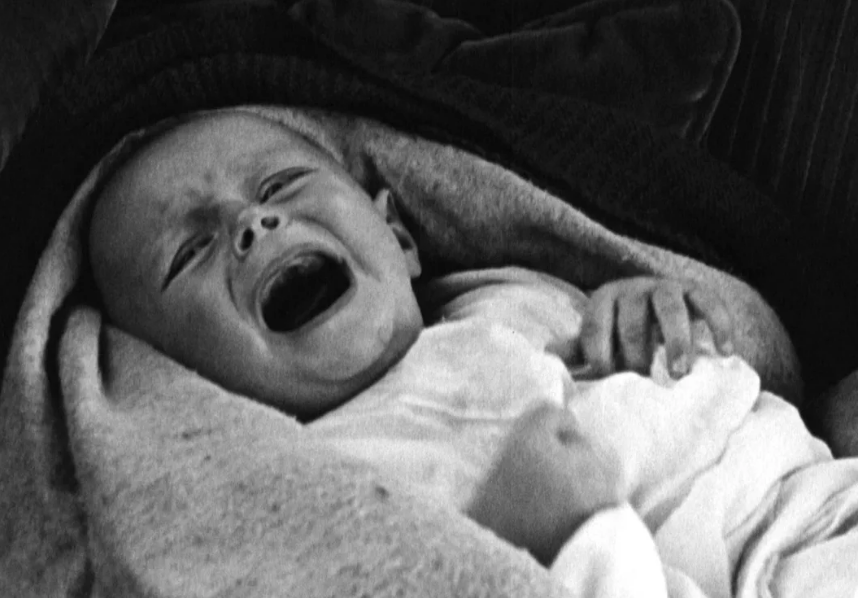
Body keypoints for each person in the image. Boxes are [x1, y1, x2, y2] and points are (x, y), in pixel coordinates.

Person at [87, 109, 858, 597]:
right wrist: (555, 543)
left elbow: (714, 365)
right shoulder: (320, 483)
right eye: (188, 252)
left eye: (281, 186)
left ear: (397, 235)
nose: (250, 225)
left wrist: (649, 310)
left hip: (809, 498)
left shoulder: (509, 295)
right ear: (176, 381)